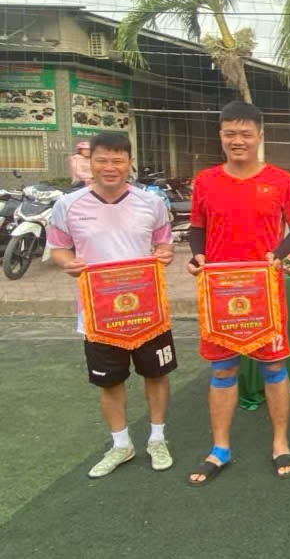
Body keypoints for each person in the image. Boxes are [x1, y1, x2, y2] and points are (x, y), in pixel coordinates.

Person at [186, 101, 290, 485]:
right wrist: (197, 257)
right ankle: (220, 447)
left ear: (259, 136)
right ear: (220, 136)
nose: (237, 141)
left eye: (245, 134)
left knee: (274, 367)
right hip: (220, 294)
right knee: (222, 369)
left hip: (264, 292)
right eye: (230, 134)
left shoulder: (281, 180)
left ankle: (280, 442)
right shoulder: (205, 181)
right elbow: (196, 229)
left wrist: (278, 255)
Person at [47, 132, 176, 478]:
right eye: (102, 160)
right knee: (109, 382)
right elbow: (58, 249)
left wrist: (164, 254)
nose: (110, 167)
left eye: (118, 160)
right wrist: (68, 263)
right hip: (98, 315)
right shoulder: (68, 205)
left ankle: (157, 439)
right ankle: (121, 445)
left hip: (147, 312)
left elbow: (164, 243)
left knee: (156, 374)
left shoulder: (151, 203)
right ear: (90, 163)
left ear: (129, 163)